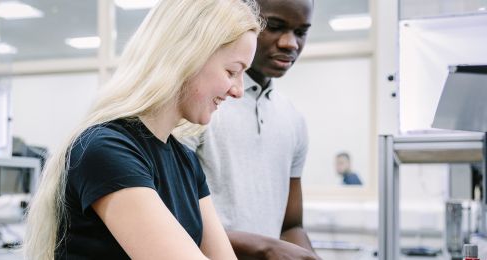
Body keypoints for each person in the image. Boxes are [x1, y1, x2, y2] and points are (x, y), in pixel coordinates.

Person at [23, 0, 262, 259]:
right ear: (189, 56)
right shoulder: (106, 150)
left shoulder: (187, 162)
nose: (238, 90)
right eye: (232, 71)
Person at [181, 0, 319, 259]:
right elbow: (175, 221)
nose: (290, 43)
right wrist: (266, 249)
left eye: (301, 32)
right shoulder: (198, 106)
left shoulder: (293, 118)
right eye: (275, 27)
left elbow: (290, 226)